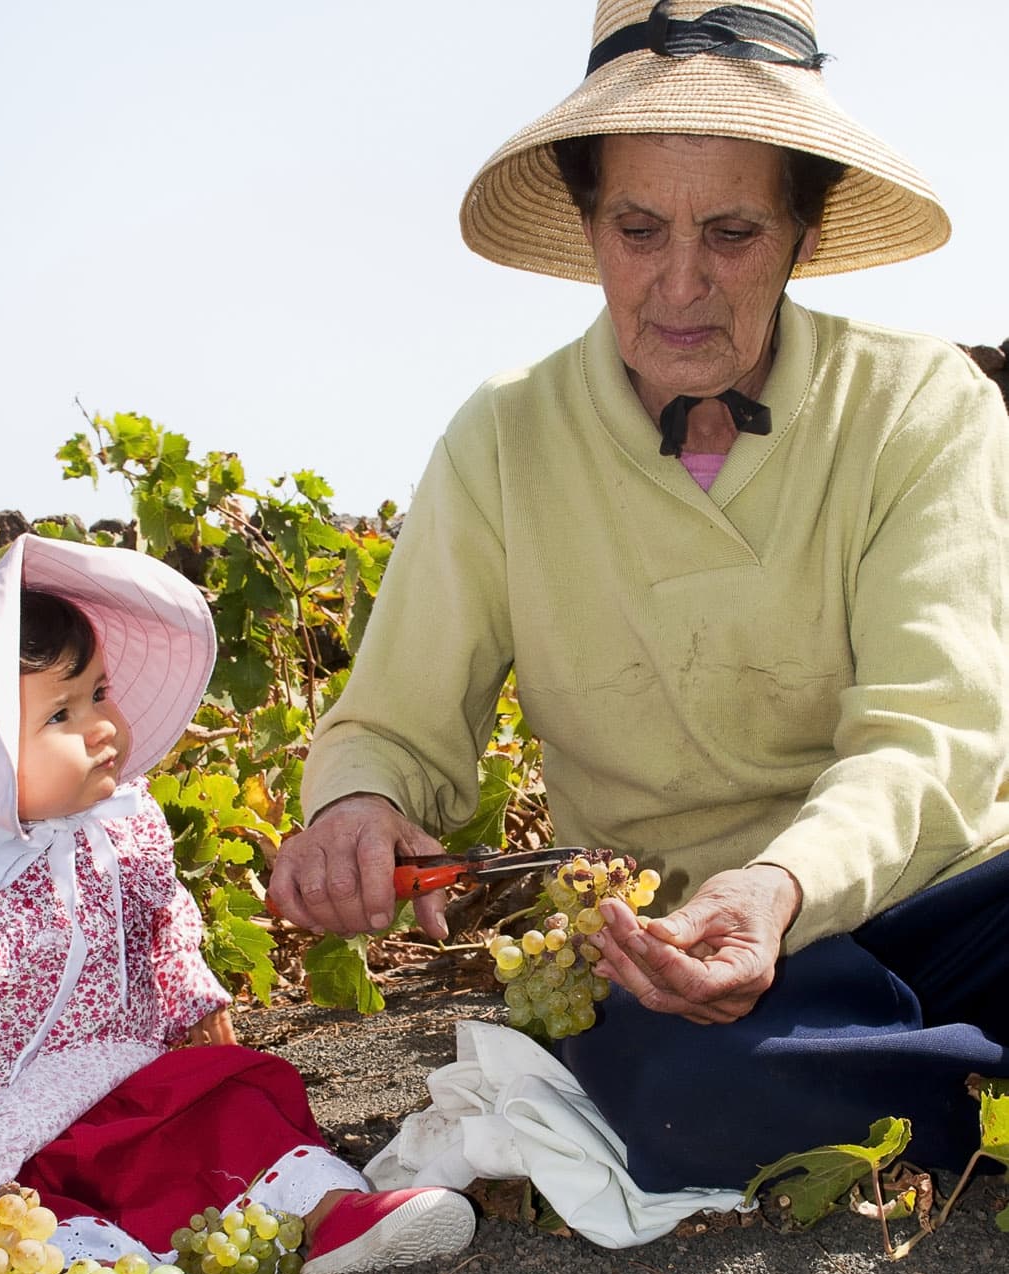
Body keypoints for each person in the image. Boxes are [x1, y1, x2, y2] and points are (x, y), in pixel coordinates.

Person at [269, 0, 1009, 1197]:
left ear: (801, 232)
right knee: (681, 1096)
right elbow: (394, 727)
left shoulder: (921, 405)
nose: (680, 283)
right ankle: (962, 1089)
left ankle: (912, 1072)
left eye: (730, 233)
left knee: (706, 1095)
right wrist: (357, 806)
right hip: (681, 956)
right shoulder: (503, 439)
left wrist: (783, 883)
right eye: (636, 227)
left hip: (935, 900)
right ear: (586, 225)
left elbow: (931, 740)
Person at [0, 533, 475, 1274]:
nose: (102, 727)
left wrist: (195, 1002)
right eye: (59, 716)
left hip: (128, 1079)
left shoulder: (125, 826)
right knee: (15, 1217)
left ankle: (330, 1221)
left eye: (99, 693)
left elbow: (162, 925)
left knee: (228, 1108)